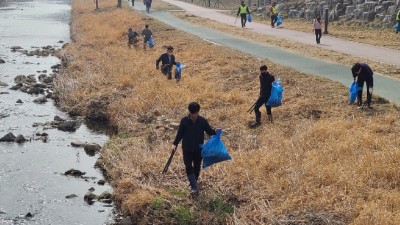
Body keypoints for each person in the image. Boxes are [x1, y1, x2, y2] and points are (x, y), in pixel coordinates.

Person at [172, 102, 220, 194]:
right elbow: (180, 134)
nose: (194, 115)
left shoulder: (202, 121)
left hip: (198, 149)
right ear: (189, 112)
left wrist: (215, 131)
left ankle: (194, 182)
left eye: (195, 113)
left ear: (198, 111)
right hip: (187, 148)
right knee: (188, 166)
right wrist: (175, 144)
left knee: (197, 167)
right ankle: (193, 186)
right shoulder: (184, 121)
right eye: (192, 113)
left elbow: (209, 131)